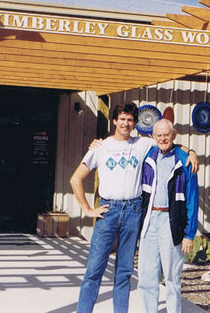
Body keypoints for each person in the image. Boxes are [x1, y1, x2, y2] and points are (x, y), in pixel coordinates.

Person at [69, 102, 198, 313]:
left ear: (135, 123)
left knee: (125, 271)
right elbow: (76, 179)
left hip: (133, 212)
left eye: (130, 120)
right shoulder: (101, 147)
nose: (126, 124)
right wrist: (87, 210)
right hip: (108, 212)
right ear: (114, 121)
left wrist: (191, 152)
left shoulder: (142, 144)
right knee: (94, 270)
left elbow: (168, 142)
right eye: (122, 119)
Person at [138, 118, 199, 313]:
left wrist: (189, 234)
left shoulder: (185, 160)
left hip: (171, 223)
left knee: (172, 278)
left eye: (167, 134)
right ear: (153, 136)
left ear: (173, 135)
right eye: (159, 135)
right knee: (147, 277)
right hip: (149, 221)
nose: (163, 138)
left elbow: (192, 199)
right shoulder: (148, 156)